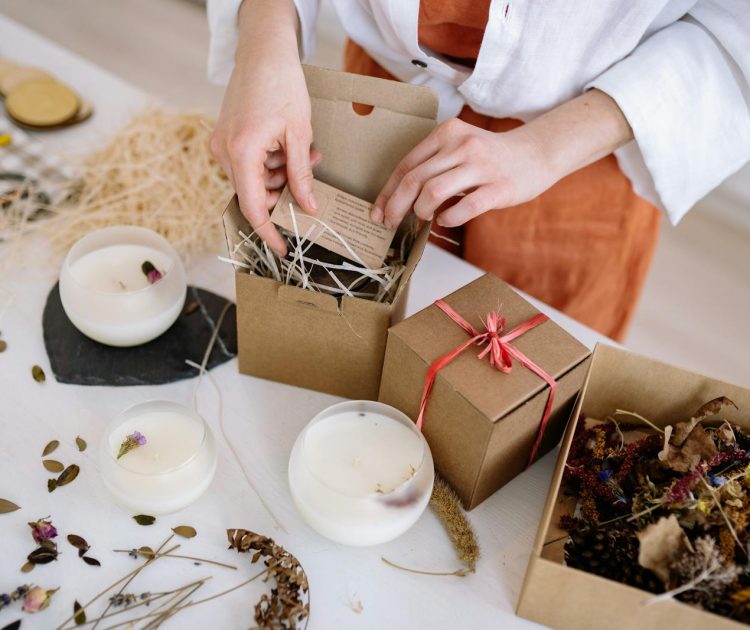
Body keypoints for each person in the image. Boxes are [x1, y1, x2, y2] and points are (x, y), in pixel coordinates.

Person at [207, 0, 750, 341]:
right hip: (387, 98)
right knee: (349, 320)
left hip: (579, 148)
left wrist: (542, 151)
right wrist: (264, 39)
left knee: (516, 366)